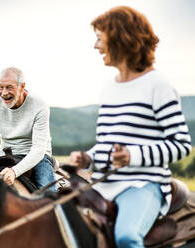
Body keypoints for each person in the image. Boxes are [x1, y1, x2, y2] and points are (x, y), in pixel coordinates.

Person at [69, 6, 192, 248]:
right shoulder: (109, 87)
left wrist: (132, 156)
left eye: (99, 39)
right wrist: (88, 159)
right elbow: (108, 143)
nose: (95, 46)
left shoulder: (158, 84)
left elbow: (181, 144)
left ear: (121, 38)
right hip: (103, 185)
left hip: (144, 184)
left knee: (126, 237)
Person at [0, 67, 56, 191]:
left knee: (49, 195)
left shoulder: (39, 105)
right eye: (1, 87)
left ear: (22, 86)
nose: (4, 93)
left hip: (38, 156)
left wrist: (14, 172)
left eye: (9, 87)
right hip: (5, 154)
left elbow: (39, 148)